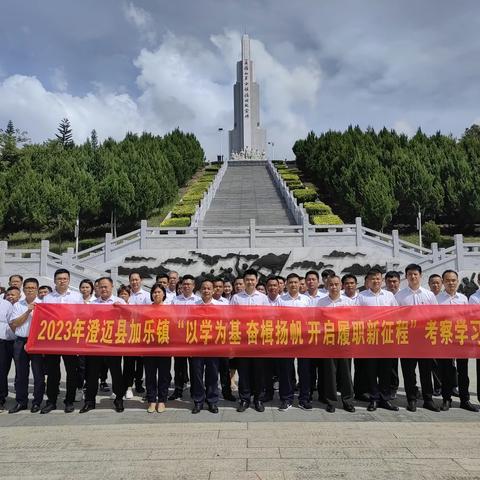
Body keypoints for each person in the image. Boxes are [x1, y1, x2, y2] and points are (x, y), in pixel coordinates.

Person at [396, 263, 440, 412]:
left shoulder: (429, 295)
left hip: (424, 340)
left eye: (415, 274)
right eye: (410, 274)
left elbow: (436, 317)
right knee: (408, 372)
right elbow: (395, 318)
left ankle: (428, 399)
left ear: (420, 276)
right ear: (406, 277)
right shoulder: (400, 296)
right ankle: (412, 399)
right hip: (407, 340)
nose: (413, 277)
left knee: (426, 371)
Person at [80, 277, 126, 413]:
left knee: (116, 372)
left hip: (114, 343)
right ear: (97, 289)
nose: (104, 289)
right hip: (96, 343)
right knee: (92, 373)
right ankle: (90, 401)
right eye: (101, 287)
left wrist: (122, 310)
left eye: (106, 286)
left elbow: (130, 320)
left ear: (112, 287)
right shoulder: (92, 303)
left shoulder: (120, 302)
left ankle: (119, 399)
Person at [357, 268, 399, 412]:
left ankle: (385, 399)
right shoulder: (361, 297)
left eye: (378, 278)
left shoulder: (389, 296)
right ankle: (374, 399)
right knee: (371, 371)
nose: (376, 281)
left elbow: (396, 315)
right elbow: (356, 317)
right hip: (369, 339)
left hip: (386, 339)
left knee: (386, 371)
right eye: (373, 279)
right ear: (368, 281)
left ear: (382, 280)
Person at [436, 270, 479, 412]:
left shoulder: (464, 299)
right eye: (448, 280)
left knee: (463, 371)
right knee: (446, 371)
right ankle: (446, 399)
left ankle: (464, 399)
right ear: (443, 282)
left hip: (461, 339)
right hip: (445, 338)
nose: (451, 283)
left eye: (454, 280)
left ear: (457, 281)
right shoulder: (437, 299)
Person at [42, 268, 83, 414]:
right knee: (53, 373)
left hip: (70, 340)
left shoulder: (77, 297)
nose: (62, 281)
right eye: (59, 278)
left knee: (72, 372)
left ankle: (69, 401)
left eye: (65, 278)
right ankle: (51, 401)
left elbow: (82, 317)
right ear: (54, 281)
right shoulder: (47, 298)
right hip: (53, 340)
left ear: (69, 280)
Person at [315, 275, 355, 413]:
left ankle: (348, 401)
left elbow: (354, 321)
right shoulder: (321, 303)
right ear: (327, 286)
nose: (334, 287)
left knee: (346, 373)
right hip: (328, 342)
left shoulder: (348, 302)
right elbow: (317, 321)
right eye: (331, 284)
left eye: (336, 284)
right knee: (330, 373)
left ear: (341, 286)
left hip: (344, 342)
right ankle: (331, 401)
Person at [231, 269, 269, 412]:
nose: (250, 282)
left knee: (259, 372)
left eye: (253, 280)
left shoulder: (263, 298)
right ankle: (245, 399)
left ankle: (258, 399)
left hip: (258, 341)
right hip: (242, 341)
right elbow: (232, 319)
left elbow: (266, 319)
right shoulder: (236, 298)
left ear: (257, 280)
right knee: (244, 371)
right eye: (247, 279)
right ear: (244, 281)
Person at [7, 278, 45, 414]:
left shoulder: (43, 305)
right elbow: (15, 323)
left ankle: (37, 402)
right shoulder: (18, 305)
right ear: (23, 289)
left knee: (38, 374)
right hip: (20, 341)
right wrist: (28, 311)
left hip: (37, 342)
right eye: (27, 288)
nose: (30, 290)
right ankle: (21, 402)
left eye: (33, 288)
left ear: (37, 289)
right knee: (21, 374)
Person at [277, 273, 311, 411]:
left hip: (303, 338)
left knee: (304, 370)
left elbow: (312, 319)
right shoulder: (281, 300)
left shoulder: (307, 300)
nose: (293, 285)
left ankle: (304, 399)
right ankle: (287, 399)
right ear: (286, 284)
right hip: (286, 338)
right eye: (290, 282)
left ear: (300, 284)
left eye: (296, 282)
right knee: (286, 370)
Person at [191, 279, 225, 414]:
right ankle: (198, 401)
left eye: (209, 288)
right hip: (197, 346)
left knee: (212, 375)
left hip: (213, 346)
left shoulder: (220, 306)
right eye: (204, 288)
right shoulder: (194, 305)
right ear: (200, 291)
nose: (206, 291)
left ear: (213, 290)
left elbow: (224, 324)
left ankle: (212, 401)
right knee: (197, 375)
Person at [168, 274, 199, 400]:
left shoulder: (198, 300)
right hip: (179, 338)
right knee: (179, 366)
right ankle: (178, 389)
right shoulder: (175, 300)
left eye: (189, 284)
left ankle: (195, 390)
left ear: (193, 286)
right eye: (184, 284)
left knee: (194, 366)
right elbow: (171, 317)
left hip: (193, 337)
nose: (186, 286)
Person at [144, 283, 171, 413]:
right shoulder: (146, 309)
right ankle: (151, 400)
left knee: (164, 375)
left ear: (164, 294)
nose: (156, 294)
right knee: (150, 375)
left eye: (159, 292)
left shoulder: (170, 310)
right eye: (154, 292)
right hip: (149, 347)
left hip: (165, 347)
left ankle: (162, 400)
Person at [123, 272, 149, 398]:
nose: (134, 282)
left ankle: (139, 384)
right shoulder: (125, 295)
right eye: (132, 280)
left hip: (142, 333)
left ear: (141, 280)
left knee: (140, 361)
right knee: (128, 362)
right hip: (127, 333)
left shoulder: (147, 296)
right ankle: (128, 386)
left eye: (136, 279)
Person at [384, 270, 401, 399]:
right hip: (386, 334)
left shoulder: (403, 295)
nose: (392, 284)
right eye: (389, 281)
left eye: (394, 281)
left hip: (404, 333)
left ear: (399, 282)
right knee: (390, 363)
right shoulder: (384, 295)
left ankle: (395, 387)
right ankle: (389, 387)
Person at [0, 293, 14, 412]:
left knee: (1, 371)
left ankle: (1, 399)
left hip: (2, 341)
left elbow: (11, 323)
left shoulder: (6, 304)